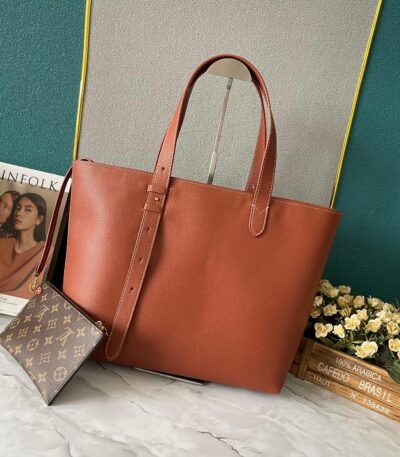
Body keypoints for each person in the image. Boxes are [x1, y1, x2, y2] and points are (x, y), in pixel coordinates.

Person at [0, 193, 47, 299]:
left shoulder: (45, 252)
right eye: (17, 208)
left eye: (28, 210)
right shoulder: (2, 243)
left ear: (39, 219)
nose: (19, 213)